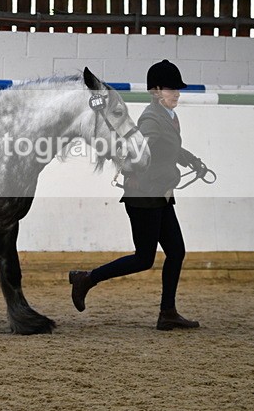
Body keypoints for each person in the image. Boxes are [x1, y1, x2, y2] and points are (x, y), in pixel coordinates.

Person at [69, 59, 208, 331]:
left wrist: (192, 160)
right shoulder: (151, 119)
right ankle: (86, 279)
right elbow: (137, 151)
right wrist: (135, 173)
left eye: (177, 89)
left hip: (160, 195)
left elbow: (169, 148)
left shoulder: (169, 117)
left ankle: (167, 312)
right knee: (144, 258)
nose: (176, 94)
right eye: (171, 89)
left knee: (176, 252)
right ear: (155, 91)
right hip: (145, 196)